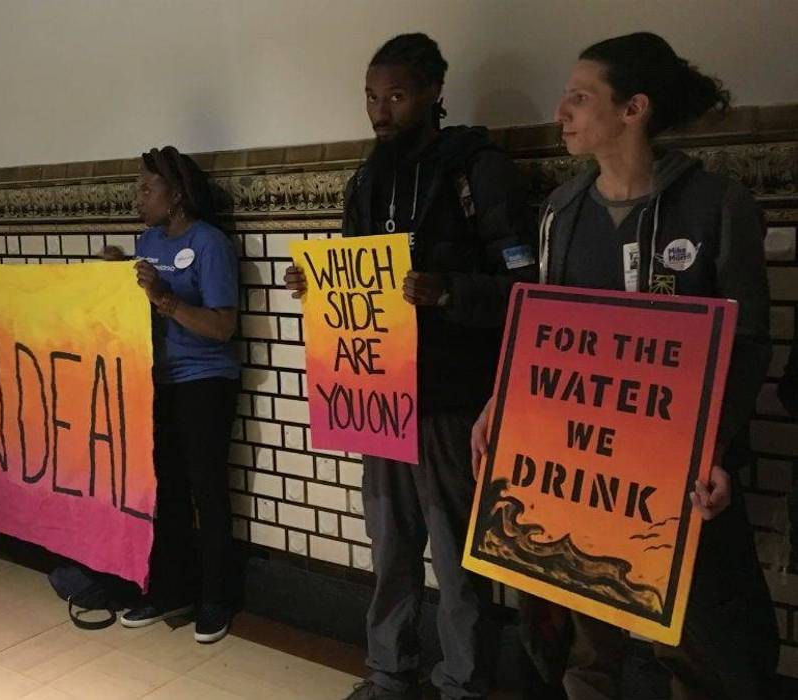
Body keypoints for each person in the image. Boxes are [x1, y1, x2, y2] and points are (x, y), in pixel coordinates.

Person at [470, 32, 778, 700]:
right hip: (583, 472)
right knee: (584, 638)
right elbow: (540, 334)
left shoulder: (716, 206)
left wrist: (712, 450)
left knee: (697, 643)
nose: (561, 112)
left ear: (632, 108)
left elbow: (746, 344)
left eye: (580, 98)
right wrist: (504, 402)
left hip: (681, 473)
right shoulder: (561, 212)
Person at [284, 34, 538, 700]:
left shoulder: (476, 170)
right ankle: (388, 675)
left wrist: (448, 289)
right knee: (390, 552)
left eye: (394, 95)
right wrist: (315, 286)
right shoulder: (368, 176)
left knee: (457, 561)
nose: (379, 110)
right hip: (380, 394)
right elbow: (352, 274)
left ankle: (462, 684)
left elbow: (527, 292)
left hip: (452, 400)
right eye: (371, 96)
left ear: (432, 92)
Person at [102, 146, 240, 644]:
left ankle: (217, 597)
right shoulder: (147, 240)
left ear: (176, 195)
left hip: (205, 381)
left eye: (146, 188)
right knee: (166, 492)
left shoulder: (211, 244)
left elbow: (222, 326)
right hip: (156, 381)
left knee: (206, 489)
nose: (137, 197)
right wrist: (115, 278)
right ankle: (170, 588)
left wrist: (165, 298)